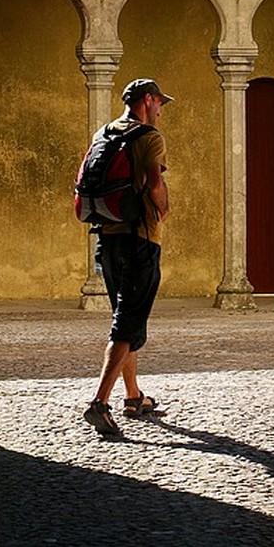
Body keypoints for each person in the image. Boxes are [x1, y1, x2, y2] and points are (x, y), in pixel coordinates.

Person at [83, 78, 173, 436]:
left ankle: (134, 397)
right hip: (140, 238)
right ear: (147, 100)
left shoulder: (103, 134)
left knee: (125, 317)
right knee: (126, 323)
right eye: (159, 102)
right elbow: (154, 182)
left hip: (107, 239)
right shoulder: (149, 137)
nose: (161, 109)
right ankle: (99, 403)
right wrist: (164, 209)